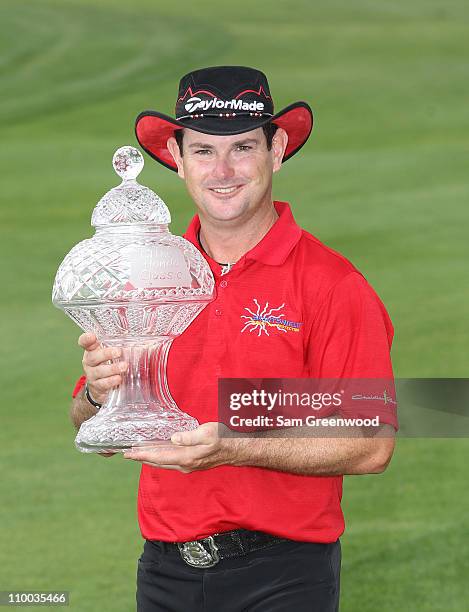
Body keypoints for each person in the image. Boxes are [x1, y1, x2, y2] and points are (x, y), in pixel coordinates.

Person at [70, 66, 398, 611]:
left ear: (277, 149)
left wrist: (235, 447)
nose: (222, 171)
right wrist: (98, 395)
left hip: (285, 573)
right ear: (177, 157)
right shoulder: (147, 275)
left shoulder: (334, 284)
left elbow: (371, 443)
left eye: (242, 147)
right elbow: (87, 420)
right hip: (162, 569)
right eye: (203, 151)